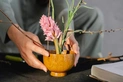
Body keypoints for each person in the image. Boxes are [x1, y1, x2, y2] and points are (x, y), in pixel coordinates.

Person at [0, 0, 104, 72]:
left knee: (93, 16)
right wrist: (16, 33)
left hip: (40, 19)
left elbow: (61, 4)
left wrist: (68, 31)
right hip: (11, 17)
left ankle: (83, 70)